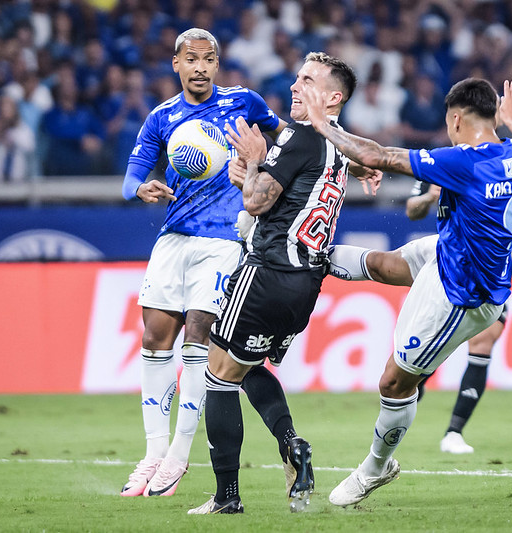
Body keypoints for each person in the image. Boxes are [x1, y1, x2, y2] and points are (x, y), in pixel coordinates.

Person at [301, 77, 512, 506]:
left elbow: (376, 155)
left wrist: (324, 123)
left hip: (464, 294)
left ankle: (376, 467)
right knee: (384, 263)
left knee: (395, 383)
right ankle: (307, 255)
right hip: (451, 253)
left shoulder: (464, 161)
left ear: (455, 119)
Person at [187, 51, 379, 515]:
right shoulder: (340, 145)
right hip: (305, 284)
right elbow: (287, 194)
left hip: (267, 272)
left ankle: (226, 498)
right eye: (296, 77)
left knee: (218, 375)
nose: (294, 86)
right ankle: (292, 446)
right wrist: (251, 178)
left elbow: (256, 203)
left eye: (307, 80)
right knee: (248, 365)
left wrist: (251, 165)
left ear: (332, 98)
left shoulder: (298, 136)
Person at [119, 28, 287, 499]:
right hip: (174, 238)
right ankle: (153, 453)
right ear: (176, 64)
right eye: (191, 59)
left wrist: (264, 170)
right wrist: (139, 188)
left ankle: (178, 454)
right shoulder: (161, 117)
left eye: (208, 59)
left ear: (218, 64)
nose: (200, 67)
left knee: (198, 335)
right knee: (155, 338)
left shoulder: (244, 102)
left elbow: (286, 141)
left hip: (223, 240)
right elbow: (131, 174)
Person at [328, 177, 512, 455]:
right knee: (418, 363)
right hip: (443, 270)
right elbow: (412, 211)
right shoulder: (440, 164)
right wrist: (429, 197)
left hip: (488, 276)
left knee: (484, 340)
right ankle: (405, 403)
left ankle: (454, 432)